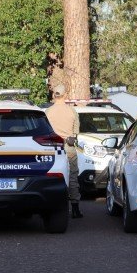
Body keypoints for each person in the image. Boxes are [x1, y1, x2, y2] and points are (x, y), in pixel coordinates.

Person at [45, 83, 82, 218]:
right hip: (69, 146)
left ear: (54, 95)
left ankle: (54, 208)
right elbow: (76, 132)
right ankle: (75, 208)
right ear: (65, 95)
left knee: (53, 177)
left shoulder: (48, 112)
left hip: (53, 148)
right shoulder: (72, 111)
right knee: (72, 176)